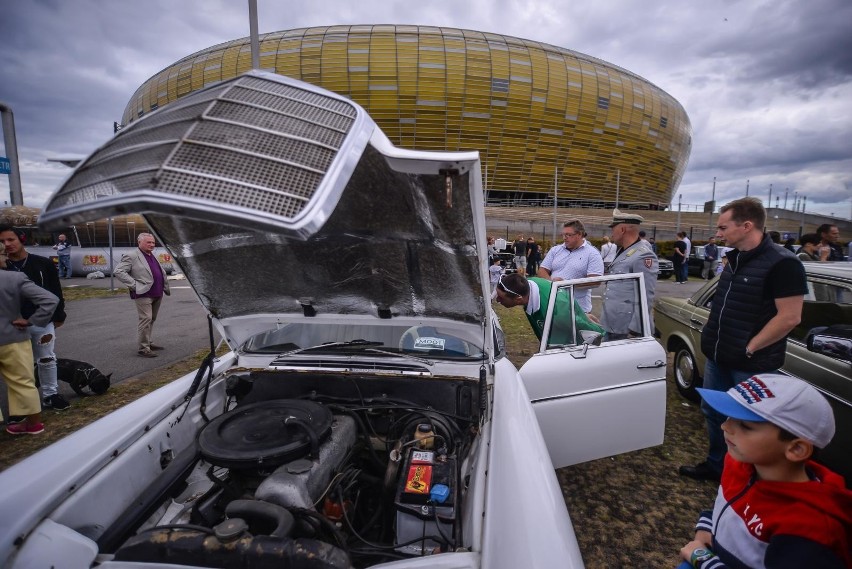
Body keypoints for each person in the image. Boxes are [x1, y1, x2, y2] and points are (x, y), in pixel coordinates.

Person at [679, 197, 807, 483]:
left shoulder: (783, 264)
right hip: (719, 357)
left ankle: (748, 480)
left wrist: (749, 348)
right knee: (714, 413)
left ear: (747, 226)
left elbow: (789, 318)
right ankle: (718, 467)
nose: (718, 233)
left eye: (723, 227)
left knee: (751, 423)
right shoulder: (734, 259)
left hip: (752, 364)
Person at [679, 374, 852, 569]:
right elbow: (729, 503)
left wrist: (702, 560)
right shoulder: (739, 464)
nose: (725, 426)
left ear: (796, 449)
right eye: (729, 416)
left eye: (745, 425)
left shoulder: (809, 529)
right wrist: (707, 526)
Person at [0, 225, 70, 411]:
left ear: (21, 239)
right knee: (18, 367)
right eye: (2, 241)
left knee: (46, 358)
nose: (6, 244)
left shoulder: (42, 263)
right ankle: (21, 405)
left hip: (41, 321)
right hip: (11, 325)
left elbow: (55, 291)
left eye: (10, 239)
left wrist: (59, 315)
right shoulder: (2, 266)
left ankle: (50, 394)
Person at [0, 241, 59, 435]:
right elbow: (50, 299)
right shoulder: (14, 278)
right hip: (13, 337)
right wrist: (32, 321)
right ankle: (33, 423)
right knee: (23, 381)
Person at [492, 272, 604, 346]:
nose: (497, 301)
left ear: (518, 299)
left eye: (501, 297)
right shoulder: (528, 285)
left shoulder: (556, 311)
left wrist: (602, 335)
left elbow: (583, 327)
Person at [601, 209, 657, 340]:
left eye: (613, 229)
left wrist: (636, 330)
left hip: (626, 329)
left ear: (622, 230)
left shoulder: (643, 255)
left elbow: (646, 295)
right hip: (613, 323)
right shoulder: (624, 251)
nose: (611, 234)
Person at [114, 233, 171, 358]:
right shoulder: (132, 255)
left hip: (157, 292)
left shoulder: (151, 255)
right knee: (146, 319)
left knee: (151, 319)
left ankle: (148, 342)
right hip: (143, 293)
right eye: (148, 242)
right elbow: (118, 271)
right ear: (139, 242)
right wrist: (134, 285)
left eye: (153, 242)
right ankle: (143, 348)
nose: (151, 245)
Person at [537, 220, 604, 313]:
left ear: (579, 234)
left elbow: (595, 281)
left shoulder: (593, 254)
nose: (564, 238)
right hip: (553, 305)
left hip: (577, 308)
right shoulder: (555, 250)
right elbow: (542, 270)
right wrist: (551, 283)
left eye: (568, 235)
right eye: (563, 235)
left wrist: (567, 284)